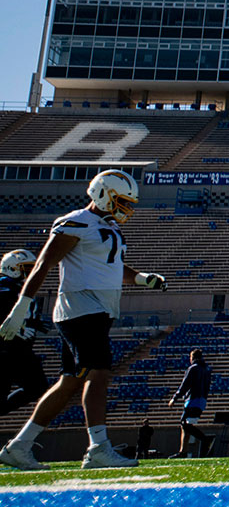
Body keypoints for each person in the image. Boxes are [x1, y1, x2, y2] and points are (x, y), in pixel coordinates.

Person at [0, 169, 166, 470]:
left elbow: (114, 267)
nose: (127, 209)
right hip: (80, 308)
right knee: (99, 374)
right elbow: (43, 264)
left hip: (96, 311)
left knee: (69, 382)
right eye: (122, 201)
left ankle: (19, 446)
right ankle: (98, 447)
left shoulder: (107, 227)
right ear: (103, 194)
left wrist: (142, 279)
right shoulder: (76, 222)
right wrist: (21, 307)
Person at [0, 250, 49, 417]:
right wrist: (19, 326)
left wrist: (33, 323)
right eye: (26, 268)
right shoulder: (5, 287)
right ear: (12, 268)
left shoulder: (19, 288)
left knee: (38, 386)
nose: (30, 272)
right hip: (5, 349)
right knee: (36, 386)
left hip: (20, 350)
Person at [169, 349, 214, 458]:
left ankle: (205, 439)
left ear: (192, 358)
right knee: (186, 425)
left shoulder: (193, 368)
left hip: (193, 399)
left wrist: (175, 398)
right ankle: (183, 451)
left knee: (184, 423)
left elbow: (185, 385)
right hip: (202, 399)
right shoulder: (207, 369)